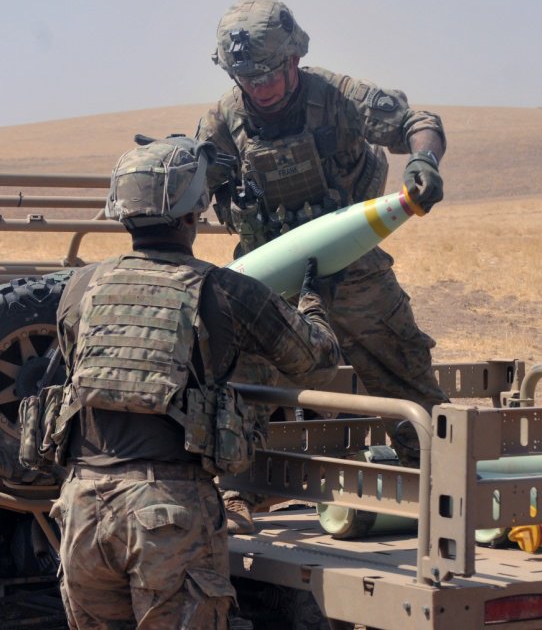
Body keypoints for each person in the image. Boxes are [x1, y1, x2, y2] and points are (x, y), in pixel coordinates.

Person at [47, 136, 341, 628]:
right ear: (193, 213)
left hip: (82, 507)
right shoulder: (226, 289)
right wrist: (313, 300)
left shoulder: (79, 286)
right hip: (169, 513)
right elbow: (316, 360)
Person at [195, 0, 450, 533]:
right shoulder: (221, 122)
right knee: (241, 379)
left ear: (294, 57)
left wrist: (423, 160)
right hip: (270, 279)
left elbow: (417, 121)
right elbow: (198, 185)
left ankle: (442, 482)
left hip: (353, 268)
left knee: (403, 370)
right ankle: (237, 494)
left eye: (270, 72)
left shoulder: (337, 97)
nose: (260, 86)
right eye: (247, 77)